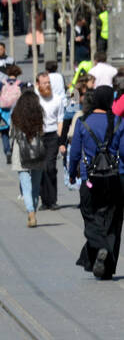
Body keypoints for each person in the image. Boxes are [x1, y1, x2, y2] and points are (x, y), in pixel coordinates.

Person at [68, 86, 123, 278]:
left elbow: (74, 152)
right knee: (112, 220)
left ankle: (100, 245)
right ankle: (107, 264)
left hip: (89, 179)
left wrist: (72, 173)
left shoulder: (84, 123)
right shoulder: (119, 122)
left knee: (90, 216)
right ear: (110, 101)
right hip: (114, 179)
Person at [10, 89, 47, 228]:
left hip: (20, 152)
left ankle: (30, 212)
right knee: (36, 186)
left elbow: (11, 134)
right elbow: (43, 132)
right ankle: (34, 210)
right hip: (37, 151)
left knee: (25, 186)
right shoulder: (39, 115)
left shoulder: (15, 115)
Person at [35, 72, 65, 209]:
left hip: (52, 135)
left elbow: (60, 119)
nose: (47, 85)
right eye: (44, 83)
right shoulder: (35, 99)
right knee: (41, 168)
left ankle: (52, 200)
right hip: (38, 136)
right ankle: (44, 199)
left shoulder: (57, 99)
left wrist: (59, 138)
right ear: (38, 84)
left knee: (51, 167)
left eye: (48, 82)